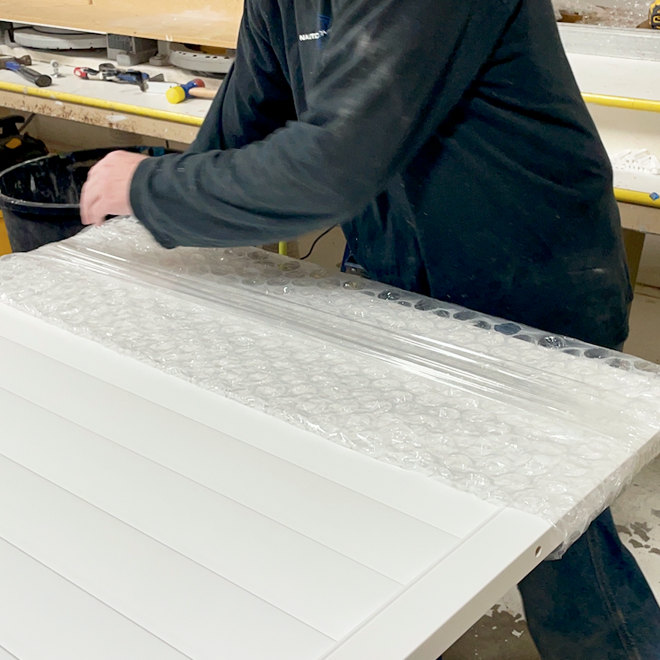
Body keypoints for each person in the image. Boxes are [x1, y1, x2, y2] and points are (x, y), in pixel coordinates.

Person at [80, 0, 660, 657]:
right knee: (388, 514)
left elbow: (335, 166)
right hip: (396, 274)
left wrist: (150, 188)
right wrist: (168, 214)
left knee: (554, 542)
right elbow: (245, 124)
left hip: (527, 282)